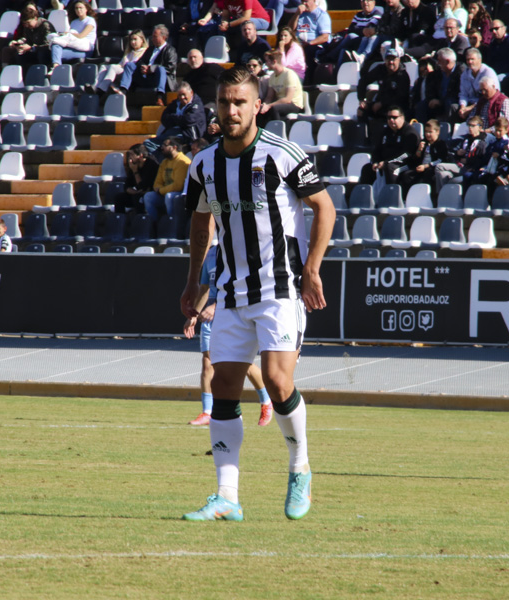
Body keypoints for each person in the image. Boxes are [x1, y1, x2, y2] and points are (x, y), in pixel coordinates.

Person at [179, 66, 335, 522]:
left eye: (239, 102)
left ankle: (300, 466)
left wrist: (312, 269)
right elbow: (200, 222)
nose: (230, 110)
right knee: (225, 384)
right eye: (224, 102)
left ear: (258, 106)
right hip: (229, 291)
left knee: (277, 379)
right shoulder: (205, 163)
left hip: (280, 289)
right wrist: (193, 283)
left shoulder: (282, 154)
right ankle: (227, 496)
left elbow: (324, 207)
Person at [184, 242, 274, 427]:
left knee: (243, 364)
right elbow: (205, 287)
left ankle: (266, 401)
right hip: (210, 314)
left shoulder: (240, 250)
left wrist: (216, 306)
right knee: (207, 362)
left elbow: (242, 286)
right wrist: (194, 314)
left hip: (234, 311)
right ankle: (207, 412)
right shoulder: (210, 254)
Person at [359, 104, 419, 191]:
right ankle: (365, 198)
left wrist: (386, 163)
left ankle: (392, 197)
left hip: (405, 163)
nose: (391, 120)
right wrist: (375, 162)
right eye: (389, 117)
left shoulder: (409, 133)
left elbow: (406, 154)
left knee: (390, 168)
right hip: (386, 163)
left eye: (394, 117)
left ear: (402, 118)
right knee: (367, 168)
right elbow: (377, 150)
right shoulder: (386, 132)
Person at [114, 24, 178, 105]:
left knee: (161, 69)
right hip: (144, 76)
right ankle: (123, 91)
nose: (152, 39)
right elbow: (140, 61)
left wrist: (151, 69)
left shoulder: (170, 50)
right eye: (152, 36)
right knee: (130, 65)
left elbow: (170, 68)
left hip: (158, 79)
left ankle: (159, 97)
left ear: (164, 37)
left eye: (155, 36)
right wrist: (143, 67)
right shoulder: (150, 49)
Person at [143, 137, 191, 222]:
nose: (162, 148)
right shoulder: (164, 162)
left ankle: (172, 223)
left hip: (179, 195)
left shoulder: (183, 161)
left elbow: (178, 186)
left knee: (169, 196)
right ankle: (154, 224)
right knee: (148, 196)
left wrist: (161, 190)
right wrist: (160, 190)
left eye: (165, 145)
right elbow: (157, 183)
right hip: (164, 192)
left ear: (174, 147)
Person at [397, 118, 451, 194]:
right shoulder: (423, 143)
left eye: (430, 132)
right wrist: (418, 151)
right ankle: (407, 198)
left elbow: (441, 160)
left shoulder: (441, 144)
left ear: (437, 132)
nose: (427, 134)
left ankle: (426, 197)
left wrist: (426, 166)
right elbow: (414, 159)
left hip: (432, 168)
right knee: (406, 175)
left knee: (427, 175)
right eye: (426, 132)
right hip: (420, 167)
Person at [356, 47, 411, 121]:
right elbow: (363, 81)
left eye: (393, 59)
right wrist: (361, 99)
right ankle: (366, 132)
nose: (391, 62)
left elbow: (400, 96)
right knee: (361, 110)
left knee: (388, 114)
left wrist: (382, 103)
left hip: (397, 106)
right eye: (388, 59)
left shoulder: (403, 75)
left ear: (398, 60)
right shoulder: (381, 69)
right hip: (379, 103)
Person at [149, 82, 206, 150]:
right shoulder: (176, 103)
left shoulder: (197, 105)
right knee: (148, 143)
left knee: (166, 147)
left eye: (184, 95)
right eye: (179, 95)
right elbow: (164, 117)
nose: (182, 97)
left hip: (186, 135)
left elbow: (189, 120)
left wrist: (173, 118)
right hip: (171, 132)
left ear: (191, 93)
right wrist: (180, 119)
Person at [259, 50, 305, 125]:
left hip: (294, 105)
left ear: (274, 61)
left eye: (267, 61)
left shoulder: (289, 74)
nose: (266, 64)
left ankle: (278, 131)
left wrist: (269, 105)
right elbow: (269, 97)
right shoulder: (272, 77)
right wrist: (264, 105)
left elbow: (288, 99)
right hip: (280, 104)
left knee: (274, 109)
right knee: (260, 110)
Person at [49, 0, 95, 67]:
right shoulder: (74, 22)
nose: (78, 10)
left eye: (80, 8)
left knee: (57, 54)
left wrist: (68, 34)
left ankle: (55, 68)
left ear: (86, 9)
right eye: (76, 8)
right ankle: (55, 67)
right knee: (55, 45)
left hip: (85, 50)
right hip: (73, 46)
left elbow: (81, 36)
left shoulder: (90, 20)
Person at [456, 48, 496, 121]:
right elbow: (463, 94)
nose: (470, 62)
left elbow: (493, 95)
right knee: (454, 108)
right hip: (469, 103)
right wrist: (462, 107)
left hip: (485, 103)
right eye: (468, 60)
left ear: (479, 60)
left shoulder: (488, 72)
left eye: (472, 59)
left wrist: (471, 108)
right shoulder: (465, 74)